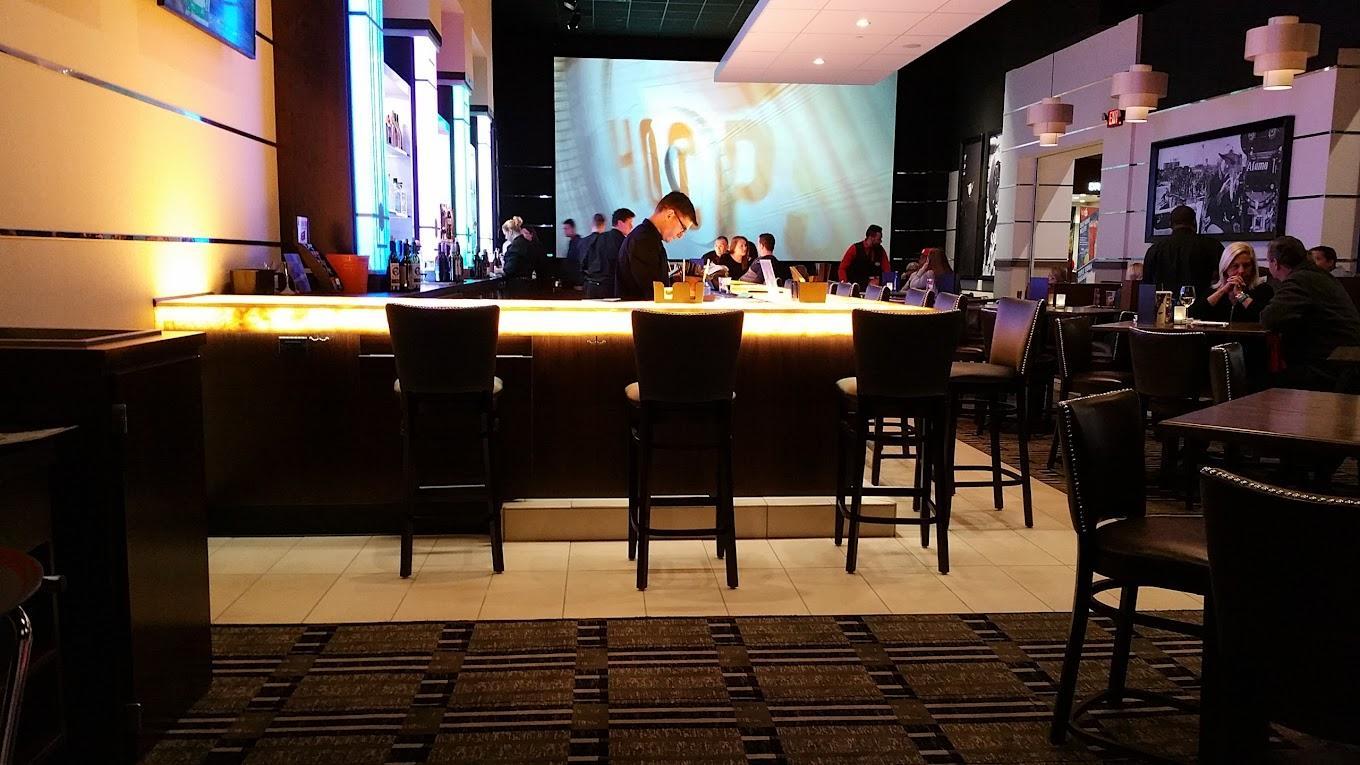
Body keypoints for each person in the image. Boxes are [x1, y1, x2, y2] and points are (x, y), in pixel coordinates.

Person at [1260, 236, 1360, 392]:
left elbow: (1269, 318)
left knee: (1260, 382)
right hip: (1346, 360)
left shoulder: (1299, 280)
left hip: (1330, 367)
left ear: (1275, 263)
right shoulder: (1319, 275)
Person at [616, 192, 696, 300]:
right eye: (683, 228)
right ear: (670, 215)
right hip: (641, 310)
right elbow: (653, 293)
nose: (680, 235)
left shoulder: (649, 239)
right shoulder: (643, 240)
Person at [1141, 204, 1222, 296]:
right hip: (1202, 303)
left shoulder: (1154, 250)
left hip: (1164, 304)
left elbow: (1147, 286)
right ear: (1194, 222)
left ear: (1170, 224)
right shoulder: (1212, 246)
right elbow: (1223, 279)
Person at [1190, 241, 1273, 322]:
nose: (1241, 271)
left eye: (1246, 265)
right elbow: (1193, 316)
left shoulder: (1263, 290)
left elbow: (1264, 318)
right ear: (1225, 268)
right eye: (1235, 266)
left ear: (1253, 268)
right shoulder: (1212, 291)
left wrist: (1240, 295)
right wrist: (1222, 291)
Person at [582, 208, 634, 299]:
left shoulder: (598, 238)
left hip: (591, 288)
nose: (632, 226)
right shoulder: (624, 242)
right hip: (610, 290)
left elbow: (585, 262)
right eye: (630, 223)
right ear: (620, 223)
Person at [838, 225, 892, 289]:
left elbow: (887, 270)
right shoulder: (855, 248)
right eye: (879, 239)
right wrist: (844, 285)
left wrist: (885, 284)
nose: (881, 241)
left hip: (873, 289)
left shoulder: (881, 250)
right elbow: (842, 268)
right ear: (871, 237)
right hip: (855, 287)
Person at [560, 218, 584, 288]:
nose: (565, 231)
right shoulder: (572, 242)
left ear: (572, 229)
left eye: (566, 228)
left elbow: (577, 263)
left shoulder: (578, 243)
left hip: (576, 281)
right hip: (573, 281)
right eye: (564, 229)